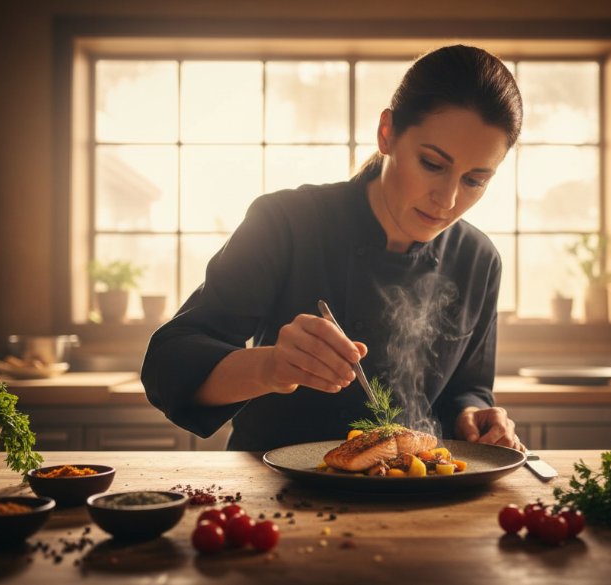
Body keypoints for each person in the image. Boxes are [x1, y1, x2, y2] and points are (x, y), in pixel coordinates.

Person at [142, 44, 525, 452]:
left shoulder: (479, 260)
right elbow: (168, 365)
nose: (447, 201)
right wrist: (270, 366)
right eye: (432, 164)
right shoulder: (286, 222)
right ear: (387, 134)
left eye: (475, 180)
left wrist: (474, 416)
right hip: (275, 491)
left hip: (413, 494)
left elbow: (468, 388)